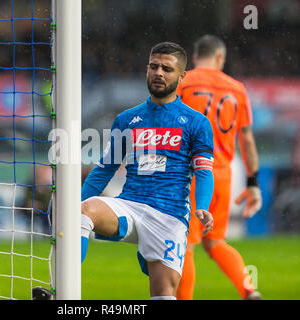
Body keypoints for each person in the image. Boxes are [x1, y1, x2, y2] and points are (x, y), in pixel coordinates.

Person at [81, 42, 215, 300]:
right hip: (129, 205)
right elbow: (105, 169)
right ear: (147, 69)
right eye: (154, 66)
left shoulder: (196, 122)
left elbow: (204, 172)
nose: (159, 73)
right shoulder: (127, 119)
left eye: (167, 68)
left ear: (182, 76)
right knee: (81, 211)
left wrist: (203, 205)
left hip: (169, 215)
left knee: (163, 293)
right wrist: (76, 200)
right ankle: (62, 289)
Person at [176, 35, 262, 300]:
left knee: (185, 245)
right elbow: (247, 139)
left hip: (190, 173)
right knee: (215, 243)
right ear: (220, 58)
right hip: (222, 173)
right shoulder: (236, 88)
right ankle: (249, 290)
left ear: (195, 54)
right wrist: (252, 183)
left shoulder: (183, 81)